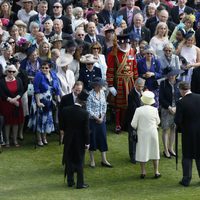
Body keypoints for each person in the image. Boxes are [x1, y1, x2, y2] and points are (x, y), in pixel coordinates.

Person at [107, 34, 138, 133]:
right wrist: (111, 85)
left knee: (129, 103)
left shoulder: (132, 51)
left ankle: (126, 123)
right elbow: (110, 70)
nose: (124, 46)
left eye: (126, 43)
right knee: (118, 105)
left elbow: (134, 67)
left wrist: (136, 81)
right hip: (119, 81)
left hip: (130, 81)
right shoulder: (114, 53)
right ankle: (117, 124)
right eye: (122, 44)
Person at [61, 90, 90, 189]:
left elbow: (62, 126)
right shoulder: (85, 113)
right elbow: (86, 130)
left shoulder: (65, 110)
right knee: (79, 161)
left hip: (68, 139)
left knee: (69, 159)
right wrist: (87, 143)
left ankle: (70, 181)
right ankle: (80, 183)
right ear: (84, 102)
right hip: (80, 141)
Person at [28, 61, 60, 146]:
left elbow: (57, 88)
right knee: (39, 121)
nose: (44, 69)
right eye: (42, 67)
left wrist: (57, 99)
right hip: (39, 100)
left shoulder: (53, 74)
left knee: (46, 120)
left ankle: (44, 138)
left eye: (46, 68)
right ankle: (39, 139)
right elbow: (36, 89)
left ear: (50, 68)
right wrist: (38, 102)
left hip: (49, 100)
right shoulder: (39, 75)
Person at [175, 81, 200, 187]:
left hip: (188, 133)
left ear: (181, 90)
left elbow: (178, 120)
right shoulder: (199, 97)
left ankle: (186, 180)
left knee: (187, 157)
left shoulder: (181, 102)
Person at [131, 91, 161, 179]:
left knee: (142, 151)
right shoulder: (155, 110)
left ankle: (143, 172)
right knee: (155, 152)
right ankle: (156, 171)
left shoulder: (138, 110)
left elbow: (133, 124)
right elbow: (158, 122)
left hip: (142, 134)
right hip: (153, 133)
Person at [86, 77, 112, 168]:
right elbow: (88, 109)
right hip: (92, 121)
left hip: (101, 120)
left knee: (103, 138)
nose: (102, 87)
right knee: (92, 139)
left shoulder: (102, 93)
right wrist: (97, 118)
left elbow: (104, 105)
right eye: (100, 85)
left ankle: (104, 160)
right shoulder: (89, 95)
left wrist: (102, 116)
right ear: (95, 86)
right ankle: (92, 160)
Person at [159, 67, 183, 158]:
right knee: (165, 129)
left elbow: (182, 96)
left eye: (173, 74)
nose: (172, 76)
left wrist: (176, 107)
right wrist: (169, 107)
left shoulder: (179, 82)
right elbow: (161, 98)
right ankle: (165, 150)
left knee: (173, 129)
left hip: (177, 109)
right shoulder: (163, 83)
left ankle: (171, 148)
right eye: (170, 75)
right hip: (166, 109)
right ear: (167, 75)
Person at [0, 65, 24, 147]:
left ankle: (15, 140)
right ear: (6, 71)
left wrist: (16, 99)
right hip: (6, 104)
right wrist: (11, 100)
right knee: (7, 124)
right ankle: (7, 142)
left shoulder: (18, 79)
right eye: (9, 71)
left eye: (13, 71)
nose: (11, 73)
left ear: (15, 72)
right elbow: (1, 94)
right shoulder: (2, 81)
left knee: (15, 123)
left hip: (17, 104)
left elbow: (21, 91)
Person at [126, 77, 145, 163]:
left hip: (141, 119)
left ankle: (139, 154)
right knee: (132, 138)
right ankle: (132, 156)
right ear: (135, 85)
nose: (141, 88)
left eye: (142, 86)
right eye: (139, 86)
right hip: (133, 119)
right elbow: (133, 108)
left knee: (140, 137)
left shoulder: (143, 94)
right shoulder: (131, 94)